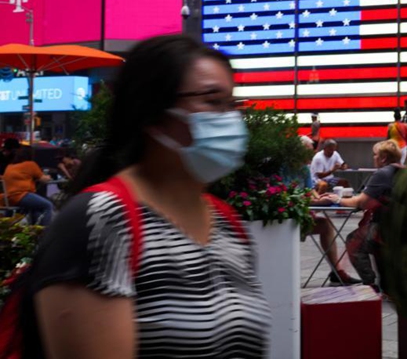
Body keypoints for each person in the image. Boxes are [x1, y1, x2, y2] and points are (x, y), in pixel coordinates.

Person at [23, 35, 271, 358]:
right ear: (154, 114)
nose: (230, 119)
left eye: (231, 104)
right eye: (212, 102)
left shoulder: (228, 225)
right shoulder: (102, 221)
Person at [313, 140, 402, 290]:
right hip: (402, 226)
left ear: (384, 157)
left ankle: (370, 285)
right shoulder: (402, 170)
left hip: (385, 227)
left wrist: (338, 199)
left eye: (375, 155)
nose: (373, 158)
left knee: (354, 242)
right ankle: (387, 285)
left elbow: (361, 202)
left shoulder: (383, 173)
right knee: (375, 245)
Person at [295, 135, 360, 285]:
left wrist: (319, 197)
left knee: (326, 225)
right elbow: (287, 197)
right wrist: (315, 200)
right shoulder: (285, 169)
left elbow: (309, 190)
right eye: (308, 152)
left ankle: (337, 272)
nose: (311, 155)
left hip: (300, 214)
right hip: (286, 221)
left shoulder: (304, 169)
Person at [3, 147, 54, 225]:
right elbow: (44, 179)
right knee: (48, 205)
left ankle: (34, 230)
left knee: (35, 208)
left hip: (8, 198)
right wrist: (49, 177)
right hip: (21, 195)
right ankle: (45, 232)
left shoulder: (10, 166)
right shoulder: (30, 164)